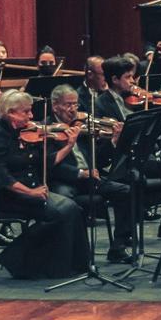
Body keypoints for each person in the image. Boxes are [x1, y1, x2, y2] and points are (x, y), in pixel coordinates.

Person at [0, 90, 88, 279]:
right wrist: (31, 192)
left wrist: (69, 145)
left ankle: (74, 264)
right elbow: (3, 178)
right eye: (26, 112)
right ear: (11, 113)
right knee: (59, 213)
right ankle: (16, 258)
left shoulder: (25, 134)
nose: (32, 116)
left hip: (30, 189)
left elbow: (46, 162)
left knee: (72, 208)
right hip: (7, 195)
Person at [45, 85, 134, 263]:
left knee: (125, 190)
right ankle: (72, 255)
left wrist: (113, 142)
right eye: (68, 105)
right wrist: (79, 173)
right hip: (64, 180)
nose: (73, 110)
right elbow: (49, 165)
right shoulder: (47, 129)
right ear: (55, 106)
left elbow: (98, 160)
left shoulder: (82, 127)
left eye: (75, 105)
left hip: (89, 179)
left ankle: (118, 246)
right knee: (66, 203)